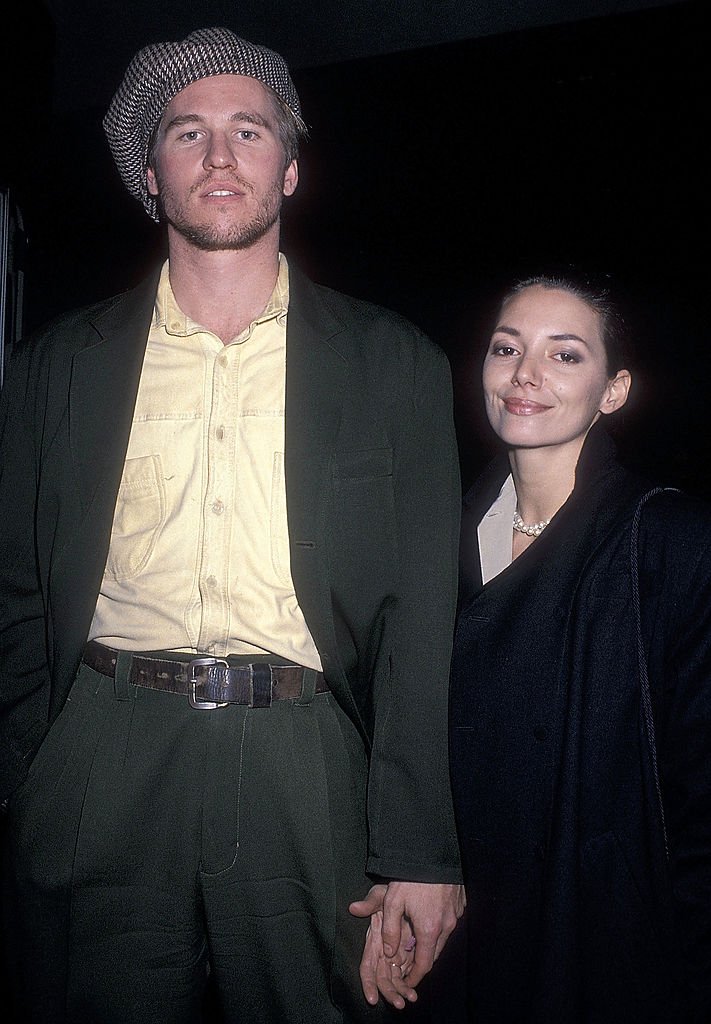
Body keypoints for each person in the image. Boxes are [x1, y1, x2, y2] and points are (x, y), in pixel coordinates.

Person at [0, 27, 464, 1024]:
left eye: (249, 132)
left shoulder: (396, 364)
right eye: (188, 133)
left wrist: (422, 849)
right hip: (105, 751)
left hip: (307, 762)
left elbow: (420, 622)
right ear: (151, 176)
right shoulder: (54, 366)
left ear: (289, 168)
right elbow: (15, 589)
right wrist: (29, 775)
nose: (220, 157)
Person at [449, 272, 711, 1023]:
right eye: (507, 348)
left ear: (613, 391)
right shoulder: (430, 538)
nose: (525, 374)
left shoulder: (669, 542)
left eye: (564, 356)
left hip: (602, 949)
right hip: (455, 940)